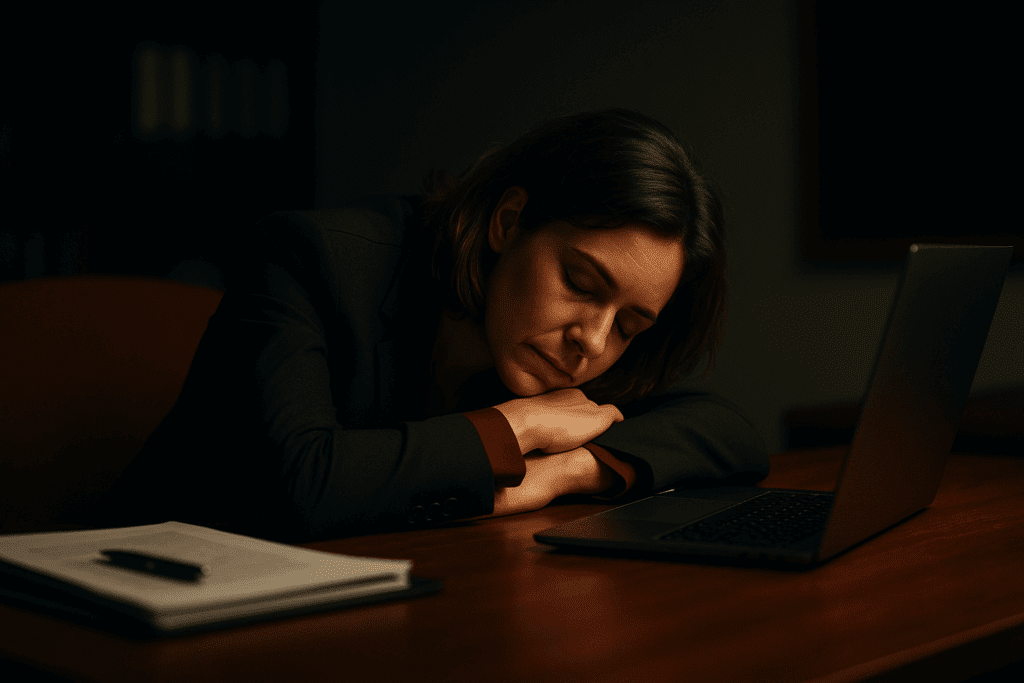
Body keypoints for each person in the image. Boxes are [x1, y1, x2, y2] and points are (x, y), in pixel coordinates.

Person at [99, 108, 769, 542]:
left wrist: (570, 471)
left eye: (631, 323)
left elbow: (727, 429)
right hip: (116, 600)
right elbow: (304, 482)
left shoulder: (568, 344)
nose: (593, 342)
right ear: (508, 223)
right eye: (581, 283)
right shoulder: (310, 258)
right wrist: (522, 426)